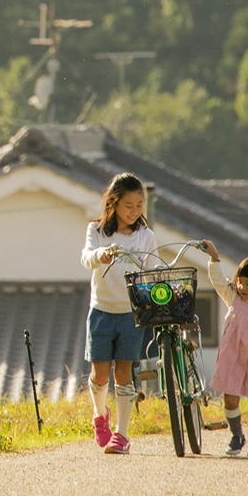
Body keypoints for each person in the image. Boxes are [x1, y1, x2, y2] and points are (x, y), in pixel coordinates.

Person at [80, 173, 158, 455]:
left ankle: (122, 435)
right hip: (101, 309)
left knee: (124, 373)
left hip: (130, 313)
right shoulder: (97, 231)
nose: (135, 210)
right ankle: (100, 416)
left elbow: (150, 271)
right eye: (129, 205)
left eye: (139, 204)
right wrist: (100, 255)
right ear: (112, 203)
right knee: (100, 374)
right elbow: (86, 257)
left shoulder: (146, 236)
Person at [200, 240, 248, 458]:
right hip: (231, 360)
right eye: (240, 282)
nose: (242, 287)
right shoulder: (234, 299)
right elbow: (218, 281)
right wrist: (214, 258)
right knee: (230, 399)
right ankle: (236, 436)